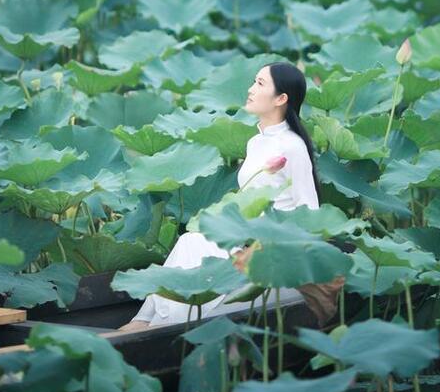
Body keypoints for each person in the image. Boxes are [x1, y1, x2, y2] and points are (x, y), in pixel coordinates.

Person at [116, 61, 322, 332]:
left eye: (260, 84)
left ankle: (155, 326)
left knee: (195, 247)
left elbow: (311, 213)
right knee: (190, 241)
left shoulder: (292, 146)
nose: (250, 89)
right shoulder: (255, 142)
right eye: (253, 81)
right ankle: (143, 322)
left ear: (281, 99)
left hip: (275, 254)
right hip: (244, 238)